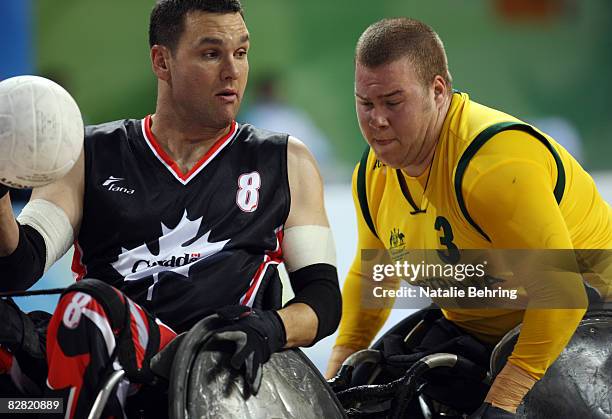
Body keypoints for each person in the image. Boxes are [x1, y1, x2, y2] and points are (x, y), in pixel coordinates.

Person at [0, 1, 341, 417]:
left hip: (211, 369)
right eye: (211, 53)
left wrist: (271, 327)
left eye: (241, 52)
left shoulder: (286, 161)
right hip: (101, 352)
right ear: (162, 61)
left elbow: (323, 302)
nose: (233, 71)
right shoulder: (88, 154)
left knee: (87, 307)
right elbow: (20, 265)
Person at [325, 17, 611, 418]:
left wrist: (504, 398)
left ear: (438, 90)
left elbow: (562, 296)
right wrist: (335, 376)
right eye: (365, 103)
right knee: (368, 385)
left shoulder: (494, 166)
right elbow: (373, 276)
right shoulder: (372, 175)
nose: (377, 121)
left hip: (589, 317)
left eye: (393, 102)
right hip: (483, 323)